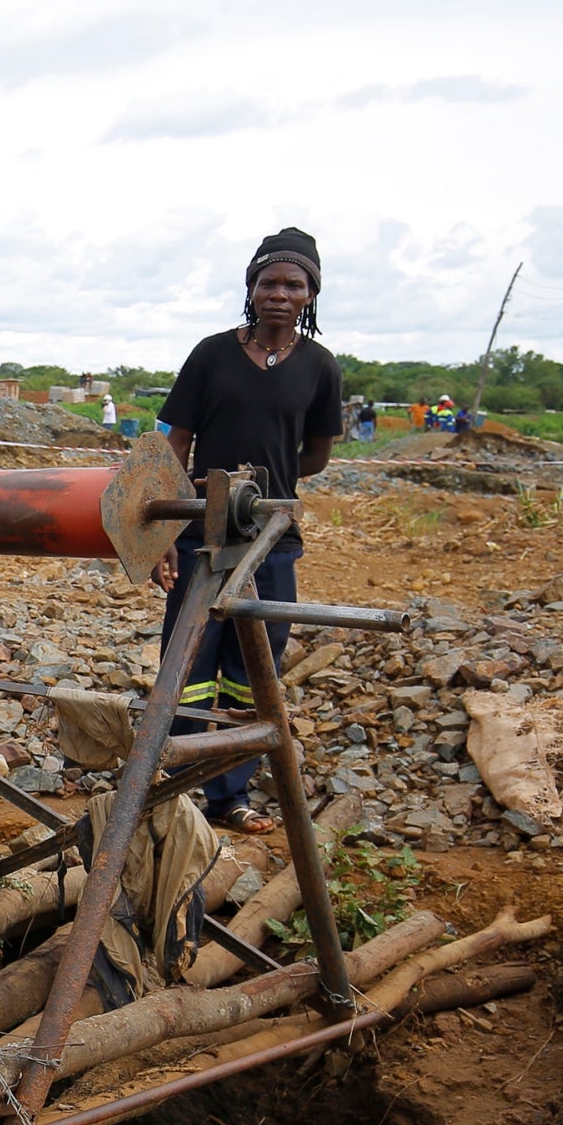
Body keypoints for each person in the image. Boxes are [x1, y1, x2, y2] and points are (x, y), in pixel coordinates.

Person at [151, 226, 344, 835]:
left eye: (293, 284)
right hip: (202, 535)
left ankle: (228, 796)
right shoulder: (211, 354)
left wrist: (266, 488)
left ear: (311, 294)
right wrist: (165, 531)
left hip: (272, 540)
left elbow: (314, 456)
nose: (279, 294)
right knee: (187, 665)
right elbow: (174, 444)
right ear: (251, 288)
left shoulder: (320, 367)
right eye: (269, 282)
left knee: (251, 668)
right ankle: (177, 791)